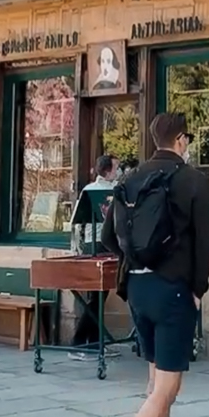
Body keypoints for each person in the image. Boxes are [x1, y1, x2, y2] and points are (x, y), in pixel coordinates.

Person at [98, 111, 209, 417]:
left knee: (155, 377)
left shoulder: (130, 179)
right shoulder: (194, 181)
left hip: (138, 289)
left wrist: (138, 259)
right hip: (174, 291)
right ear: (181, 140)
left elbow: (108, 237)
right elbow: (205, 244)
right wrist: (198, 289)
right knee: (169, 386)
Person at [69, 154, 121, 361]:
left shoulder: (113, 189)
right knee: (96, 298)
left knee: (99, 297)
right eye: (116, 168)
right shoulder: (93, 190)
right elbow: (78, 220)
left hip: (105, 243)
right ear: (107, 171)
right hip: (97, 244)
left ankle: (94, 342)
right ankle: (79, 343)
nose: (118, 171)